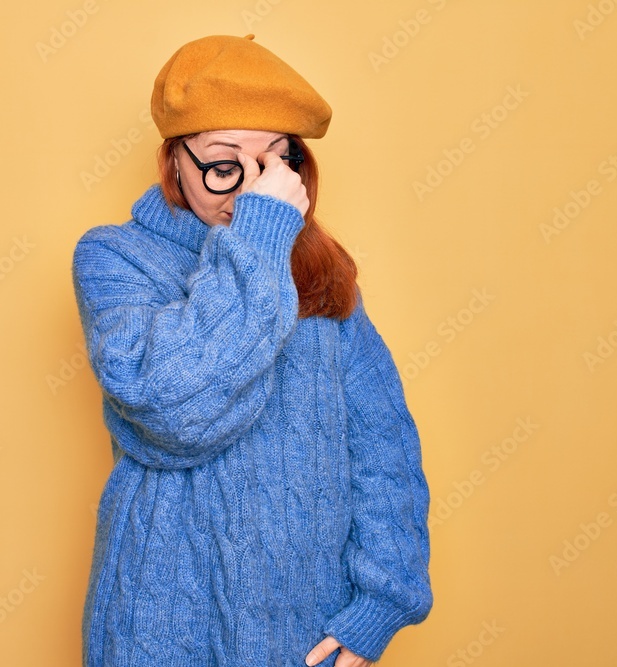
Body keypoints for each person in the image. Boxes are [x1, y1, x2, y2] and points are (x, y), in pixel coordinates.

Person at [71, 33, 432, 667]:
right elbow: (176, 414)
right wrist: (262, 237)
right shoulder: (113, 258)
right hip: (162, 616)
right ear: (173, 161)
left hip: (307, 619)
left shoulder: (321, 274)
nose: (249, 188)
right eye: (223, 161)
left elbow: (382, 446)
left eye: (275, 161)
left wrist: (382, 601)